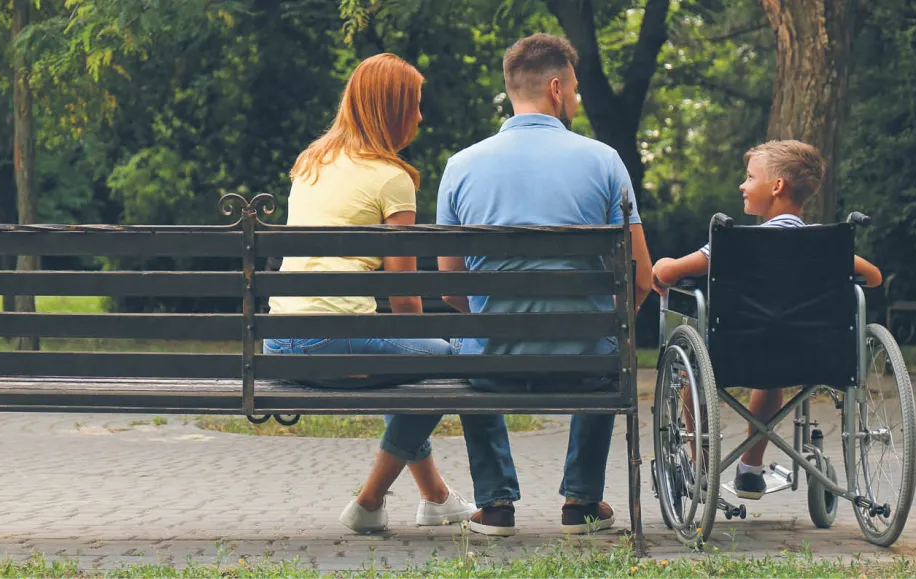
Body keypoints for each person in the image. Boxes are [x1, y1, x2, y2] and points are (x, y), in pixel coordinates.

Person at [420, 33, 655, 537]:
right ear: (555, 88)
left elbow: (451, 286)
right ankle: (582, 502)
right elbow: (642, 276)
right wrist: (608, 323)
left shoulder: (461, 166)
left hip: (493, 367)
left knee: (470, 342)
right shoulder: (605, 161)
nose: (575, 99)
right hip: (586, 365)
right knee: (610, 343)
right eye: (573, 90)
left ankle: (497, 504)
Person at [263, 53, 491, 534]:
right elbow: (403, 298)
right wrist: (424, 348)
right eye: (415, 104)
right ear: (393, 109)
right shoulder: (393, 178)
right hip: (332, 344)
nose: (421, 116)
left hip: (278, 342)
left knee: (405, 360)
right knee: (447, 359)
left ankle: (435, 497)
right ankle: (369, 501)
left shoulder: (311, 161)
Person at [650, 139, 883, 499]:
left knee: (689, 374)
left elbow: (671, 273)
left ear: (776, 187)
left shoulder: (735, 243)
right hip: (814, 355)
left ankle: (702, 470)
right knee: (772, 369)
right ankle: (749, 470)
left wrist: (661, 266)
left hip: (733, 355)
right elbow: (873, 278)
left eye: (749, 177)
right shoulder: (826, 245)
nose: (742, 185)